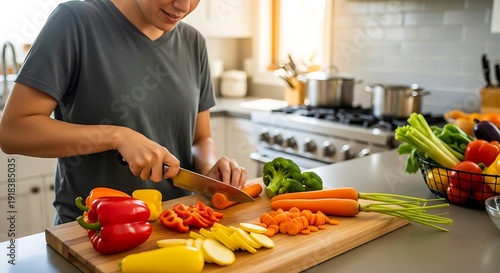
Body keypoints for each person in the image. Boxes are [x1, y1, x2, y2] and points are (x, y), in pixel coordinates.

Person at [0, 0, 247, 225]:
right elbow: (13, 132)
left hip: (176, 223)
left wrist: (210, 170)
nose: (184, 5)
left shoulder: (194, 43)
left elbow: (200, 138)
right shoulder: (75, 22)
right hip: (94, 230)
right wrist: (116, 137)